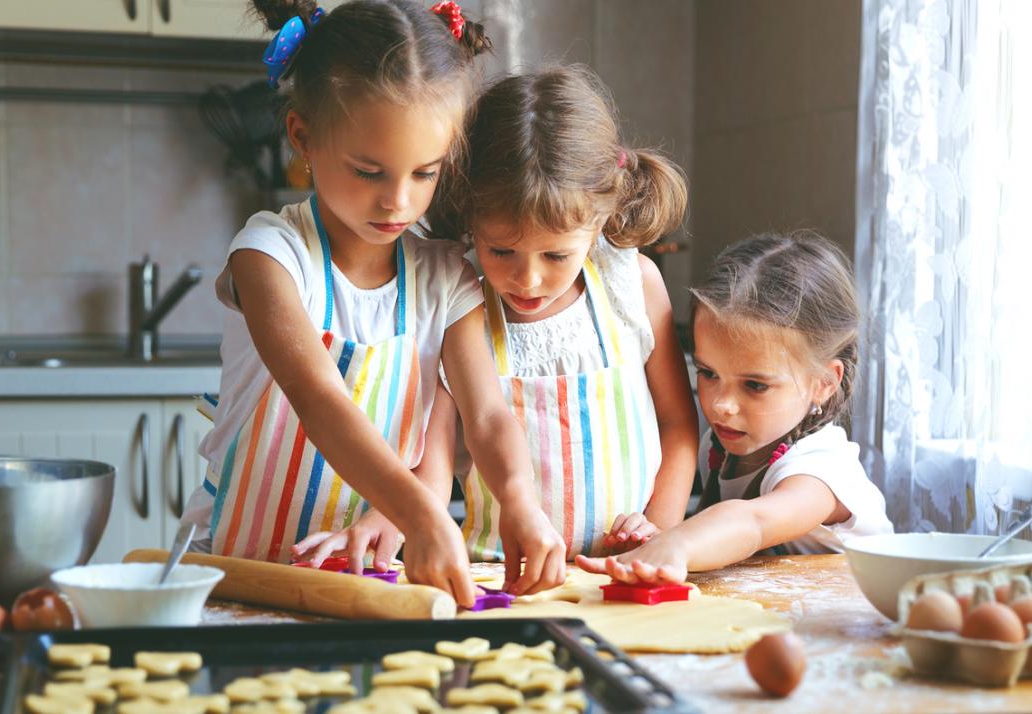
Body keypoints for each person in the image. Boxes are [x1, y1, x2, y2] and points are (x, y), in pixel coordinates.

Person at [180, 0, 565, 604]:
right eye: (368, 172)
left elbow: (488, 416)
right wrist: (422, 514)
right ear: (303, 137)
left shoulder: (444, 277)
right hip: (237, 575)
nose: (398, 203)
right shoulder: (272, 256)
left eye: (425, 173)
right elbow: (320, 400)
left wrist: (520, 501)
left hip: (364, 586)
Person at [425, 65, 700, 560]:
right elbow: (438, 450)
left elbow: (678, 425)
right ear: (470, 218)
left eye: (555, 256)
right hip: (503, 572)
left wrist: (658, 533)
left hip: (626, 569)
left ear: (598, 223)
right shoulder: (461, 301)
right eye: (501, 251)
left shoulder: (631, 285)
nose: (527, 280)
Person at [577, 231, 894, 584]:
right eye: (708, 373)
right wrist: (655, 538)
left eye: (755, 385)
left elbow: (753, 523)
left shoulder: (821, 471)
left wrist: (679, 543)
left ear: (823, 383)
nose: (721, 405)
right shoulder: (719, 445)